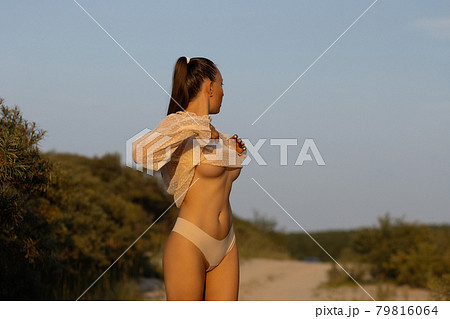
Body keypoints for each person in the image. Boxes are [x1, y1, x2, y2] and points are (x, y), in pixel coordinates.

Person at [132, 56, 247, 300]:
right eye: (222, 85)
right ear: (210, 86)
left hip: (227, 243)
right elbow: (140, 153)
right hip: (190, 241)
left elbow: (218, 179)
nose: (224, 93)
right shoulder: (179, 124)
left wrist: (233, 152)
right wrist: (193, 127)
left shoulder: (217, 134)